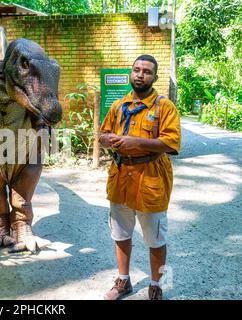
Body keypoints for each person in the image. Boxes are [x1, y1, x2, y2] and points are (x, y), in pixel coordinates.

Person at [99, 55, 181, 300]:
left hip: (151, 178)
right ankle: (123, 281)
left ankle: (156, 284)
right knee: (120, 233)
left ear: (154, 78)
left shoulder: (164, 107)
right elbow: (102, 135)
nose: (140, 75)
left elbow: (172, 142)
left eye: (146, 71)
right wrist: (108, 140)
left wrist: (137, 142)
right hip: (121, 176)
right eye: (136, 70)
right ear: (131, 73)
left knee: (155, 237)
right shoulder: (118, 106)